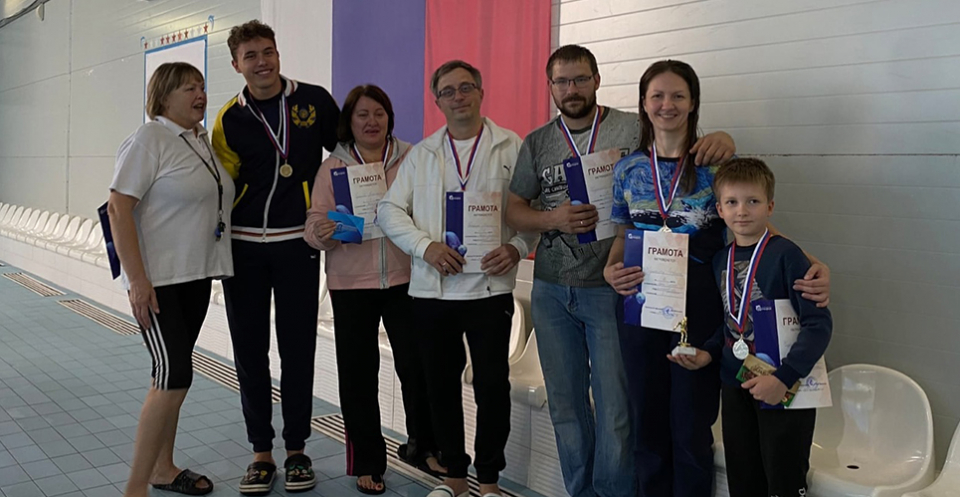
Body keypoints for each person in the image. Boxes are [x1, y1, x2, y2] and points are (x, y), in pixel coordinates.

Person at [505, 45, 735, 497]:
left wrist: (724, 138)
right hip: (617, 299)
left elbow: (745, 218)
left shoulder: (693, 156)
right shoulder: (616, 165)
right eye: (561, 81)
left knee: (662, 420)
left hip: (675, 304)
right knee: (620, 415)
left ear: (597, 79)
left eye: (580, 78)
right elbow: (621, 229)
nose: (666, 105)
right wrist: (596, 253)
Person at [604, 59, 831, 497]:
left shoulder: (715, 163)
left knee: (690, 424)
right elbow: (621, 234)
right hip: (642, 303)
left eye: (678, 95)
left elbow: (752, 225)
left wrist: (812, 262)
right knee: (646, 420)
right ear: (644, 104)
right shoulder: (628, 168)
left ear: (693, 103)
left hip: (702, 305)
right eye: (657, 96)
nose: (667, 104)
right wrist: (610, 270)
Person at [378, 60, 537, 497]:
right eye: (448, 91)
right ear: (437, 101)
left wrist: (517, 247)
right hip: (434, 293)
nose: (458, 96)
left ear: (481, 92)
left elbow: (532, 211)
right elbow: (388, 210)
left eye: (466, 87)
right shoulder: (423, 154)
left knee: (492, 387)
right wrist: (425, 247)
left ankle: (489, 482)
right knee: (441, 387)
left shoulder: (511, 146)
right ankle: (454, 479)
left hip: (490, 290)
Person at [212, 20, 339, 495]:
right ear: (236, 64)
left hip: (296, 244)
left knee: (298, 348)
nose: (262, 62)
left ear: (278, 54)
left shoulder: (314, 101)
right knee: (249, 352)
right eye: (251, 56)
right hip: (243, 247)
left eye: (268, 52)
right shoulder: (229, 119)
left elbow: (344, 157)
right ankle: (261, 453)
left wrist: (343, 215)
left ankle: (297, 450)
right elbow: (217, 186)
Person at [304, 84, 445, 495]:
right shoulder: (333, 168)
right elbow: (313, 223)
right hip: (351, 284)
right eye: (362, 115)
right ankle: (368, 461)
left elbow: (433, 208)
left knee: (418, 367)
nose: (371, 122)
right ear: (349, 122)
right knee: (358, 375)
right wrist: (322, 232)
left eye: (379, 113)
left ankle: (422, 446)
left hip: (407, 280)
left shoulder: (413, 158)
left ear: (389, 118)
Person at [670, 158, 832, 497]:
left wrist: (783, 379)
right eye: (732, 202)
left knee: (784, 483)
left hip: (784, 387)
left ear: (770, 206)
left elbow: (818, 325)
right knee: (743, 482)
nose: (742, 211)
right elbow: (730, 324)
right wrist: (708, 354)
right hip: (736, 386)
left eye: (753, 201)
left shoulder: (787, 256)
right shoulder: (721, 260)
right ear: (720, 209)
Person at [109, 62, 234, 497]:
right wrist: (137, 280)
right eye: (188, 89)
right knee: (173, 374)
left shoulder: (199, 140)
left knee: (171, 376)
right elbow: (118, 208)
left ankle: (163, 467)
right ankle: (136, 486)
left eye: (202, 87)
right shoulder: (150, 138)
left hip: (194, 277)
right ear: (163, 97)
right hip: (158, 282)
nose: (200, 95)